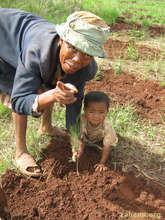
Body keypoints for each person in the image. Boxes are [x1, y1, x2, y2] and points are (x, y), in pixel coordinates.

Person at [0, 8, 110, 176]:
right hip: (4, 40)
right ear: (61, 39)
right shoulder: (37, 52)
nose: (77, 60)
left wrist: (74, 134)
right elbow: (19, 99)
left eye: (87, 54)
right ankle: (20, 152)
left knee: (52, 81)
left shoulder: (86, 68)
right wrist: (51, 95)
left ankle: (46, 127)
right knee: (23, 87)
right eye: (73, 48)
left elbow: (75, 100)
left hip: (26, 36)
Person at [71, 91, 118, 172]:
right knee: (79, 140)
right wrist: (75, 151)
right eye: (91, 112)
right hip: (87, 137)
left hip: (100, 140)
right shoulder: (82, 120)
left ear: (107, 111)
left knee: (105, 146)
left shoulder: (107, 127)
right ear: (85, 110)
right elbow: (77, 137)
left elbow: (106, 147)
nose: (96, 116)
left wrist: (102, 163)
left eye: (101, 112)